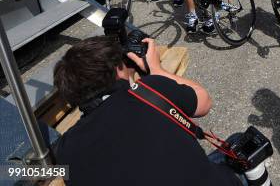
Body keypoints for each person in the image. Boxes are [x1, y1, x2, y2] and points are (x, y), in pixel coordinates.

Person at [53, 36, 243, 185]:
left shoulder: (66, 149)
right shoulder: (150, 89)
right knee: (240, 142)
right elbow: (204, 101)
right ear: (118, 70)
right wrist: (157, 70)